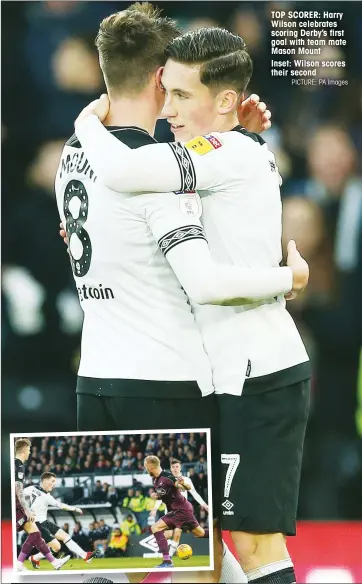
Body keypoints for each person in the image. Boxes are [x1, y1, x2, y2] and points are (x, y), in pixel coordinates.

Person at [55, 4, 309, 583]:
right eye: (169, 90)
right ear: (156, 80)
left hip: (97, 376)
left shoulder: (72, 159)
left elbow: (222, 171)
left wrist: (231, 134)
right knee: (197, 554)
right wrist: (288, 279)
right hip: (166, 380)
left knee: (120, 554)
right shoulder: (151, 170)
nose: (172, 107)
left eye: (184, 94)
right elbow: (202, 277)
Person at [14, 439, 70, 572]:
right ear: (23, 450)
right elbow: (17, 487)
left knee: (35, 534)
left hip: (16, 505)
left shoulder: (14, 464)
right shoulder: (19, 465)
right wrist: (26, 508)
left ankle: (53, 562)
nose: (29, 453)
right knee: (34, 534)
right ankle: (18, 563)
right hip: (16, 506)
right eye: (28, 450)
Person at [144, 455, 208, 568]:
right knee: (200, 533)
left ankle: (167, 561)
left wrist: (183, 483)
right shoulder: (156, 480)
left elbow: (186, 487)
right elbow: (166, 495)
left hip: (180, 510)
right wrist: (157, 496)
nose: (146, 469)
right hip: (182, 510)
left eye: (146, 467)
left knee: (155, 527)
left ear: (150, 467)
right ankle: (218, 533)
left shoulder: (168, 477)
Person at [25, 472, 99, 568]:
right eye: (52, 481)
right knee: (57, 547)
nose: (54, 484)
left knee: (65, 537)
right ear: (45, 481)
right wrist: (75, 508)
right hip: (37, 524)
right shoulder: (43, 495)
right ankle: (36, 559)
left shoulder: (33, 489)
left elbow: (18, 494)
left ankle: (85, 556)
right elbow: (61, 506)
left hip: (45, 522)